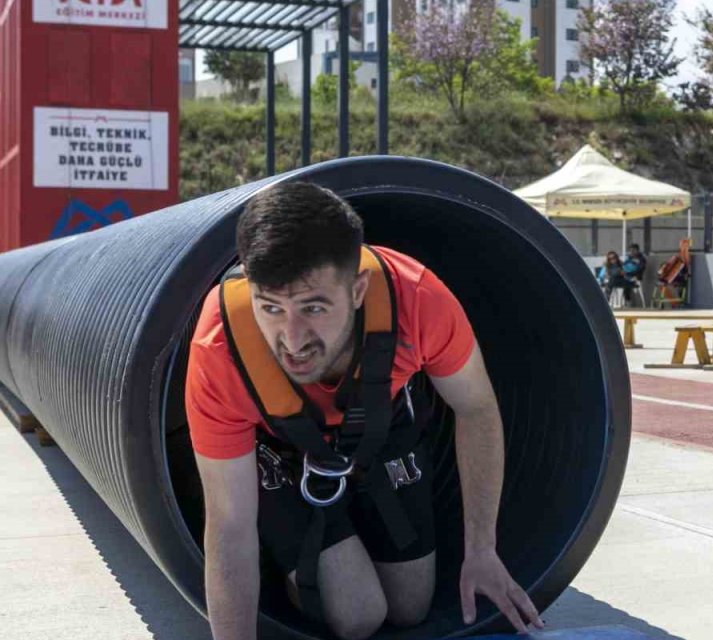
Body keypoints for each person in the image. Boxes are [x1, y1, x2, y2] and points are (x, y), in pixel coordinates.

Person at [186, 182, 542, 640]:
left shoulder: (418, 300)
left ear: (357, 289)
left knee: (410, 607)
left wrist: (482, 549)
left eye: (313, 307)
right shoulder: (220, 348)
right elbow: (230, 522)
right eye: (271, 307)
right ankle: (300, 557)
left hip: (380, 425)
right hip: (280, 447)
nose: (292, 339)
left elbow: (475, 407)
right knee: (358, 615)